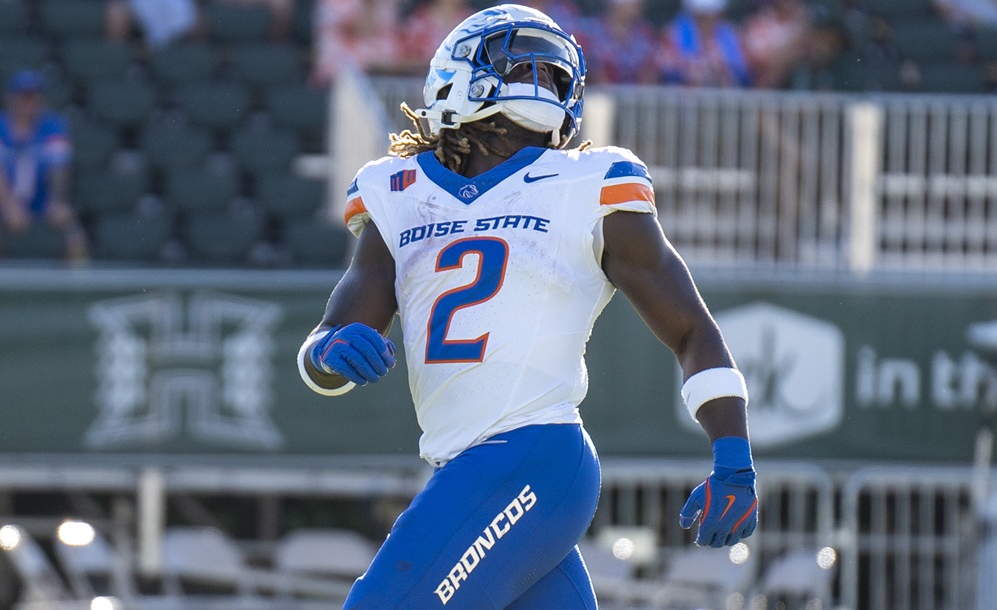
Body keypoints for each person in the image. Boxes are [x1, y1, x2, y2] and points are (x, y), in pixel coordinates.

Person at [297, 4, 758, 608]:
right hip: (468, 466)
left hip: (532, 452)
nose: (539, 81)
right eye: (518, 63)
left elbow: (691, 328)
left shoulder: (590, 182)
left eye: (553, 73)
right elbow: (327, 344)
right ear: (451, 78)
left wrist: (734, 456)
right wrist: (329, 350)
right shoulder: (397, 192)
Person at [0, 70, 88, 260]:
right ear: (11, 98)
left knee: (72, 229)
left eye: (34, 96)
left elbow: (60, 168)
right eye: (24, 96)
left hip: (40, 200)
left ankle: (81, 283)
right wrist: (8, 205)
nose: (29, 102)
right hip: (0, 203)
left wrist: (57, 202)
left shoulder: (53, 125)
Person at [661, 0, 751, 88]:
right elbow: (666, 72)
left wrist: (722, 72)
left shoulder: (728, 34)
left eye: (711, 14)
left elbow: (742, 72)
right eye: (702, 16)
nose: (708, 19)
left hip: (721, 96)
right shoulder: (676, 33)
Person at [575, 0, 665, 84]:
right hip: (599, 96)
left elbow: (650, 73)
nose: (638, 6)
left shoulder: (645, 33)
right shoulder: (590, 32)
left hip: (638, 97)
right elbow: (591, 71)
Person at [741, 0, 812, 89]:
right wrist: (795, 48)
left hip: (795, 87)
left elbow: (813, 55)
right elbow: (764, 64)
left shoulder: (801, 24)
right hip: (761, 90)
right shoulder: (760, 22)